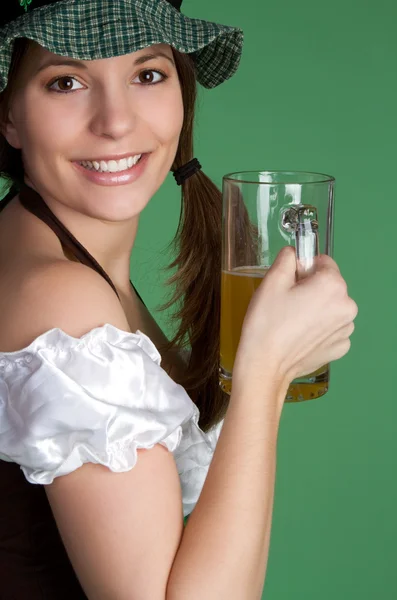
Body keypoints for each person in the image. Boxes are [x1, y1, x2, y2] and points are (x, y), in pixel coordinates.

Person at [0, 1, 358, 598]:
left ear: (183, 95)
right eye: (66, 82)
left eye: (147, 74)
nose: (116, 122)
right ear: (9, 116)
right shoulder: (61, 298)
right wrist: (264, 375)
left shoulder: (44, 250)